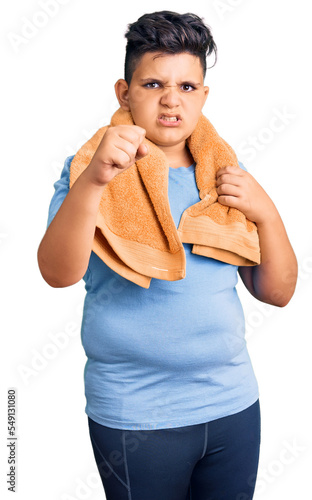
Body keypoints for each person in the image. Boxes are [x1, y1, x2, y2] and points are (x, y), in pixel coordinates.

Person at [37, 10, 298, 500]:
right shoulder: (91, 170)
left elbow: (278, 293)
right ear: (124, 92)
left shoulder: (224, 174)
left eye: (187, 86)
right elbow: (57, 273)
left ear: (203, 95)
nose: (171, 100)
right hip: (135, 415)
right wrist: (95, 179)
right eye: (153, 83)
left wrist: (267, 214)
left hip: (233, 406)